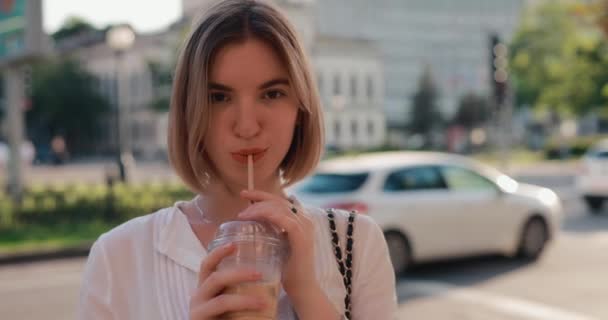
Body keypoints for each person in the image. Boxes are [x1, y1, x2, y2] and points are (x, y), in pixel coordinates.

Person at [77, 0, 397, 319]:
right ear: (190, 112)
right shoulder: (119, 255)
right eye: (219, 98)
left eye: (272, 94)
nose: (246, 126)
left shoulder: (355, 243)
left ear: (300, 107)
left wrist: (305, 290)